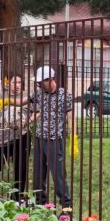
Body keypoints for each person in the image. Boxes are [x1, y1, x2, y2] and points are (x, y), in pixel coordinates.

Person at [29, 65, 74, 208]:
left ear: (49, 80)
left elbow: (70, 117)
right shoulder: (39, 93)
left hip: (55, 139)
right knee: (38, 175)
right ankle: (40, 202)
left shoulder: (64, 95)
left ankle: (66, 205)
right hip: (38, 138)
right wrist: (8, 101)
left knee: (58, 175)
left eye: (40, 82)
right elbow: (26, 101)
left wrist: (74, 138)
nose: (38, 85)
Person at [0, 74, 32, 201]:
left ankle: (18, 197)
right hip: (2, 138)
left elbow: (36, 111)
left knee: (20, 168)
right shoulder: (0, 96)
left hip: (21, 137)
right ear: (8, 84)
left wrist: (27, 120)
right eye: (14, 82)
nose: (17, 86)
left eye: (20, 83)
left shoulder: (26, 97)